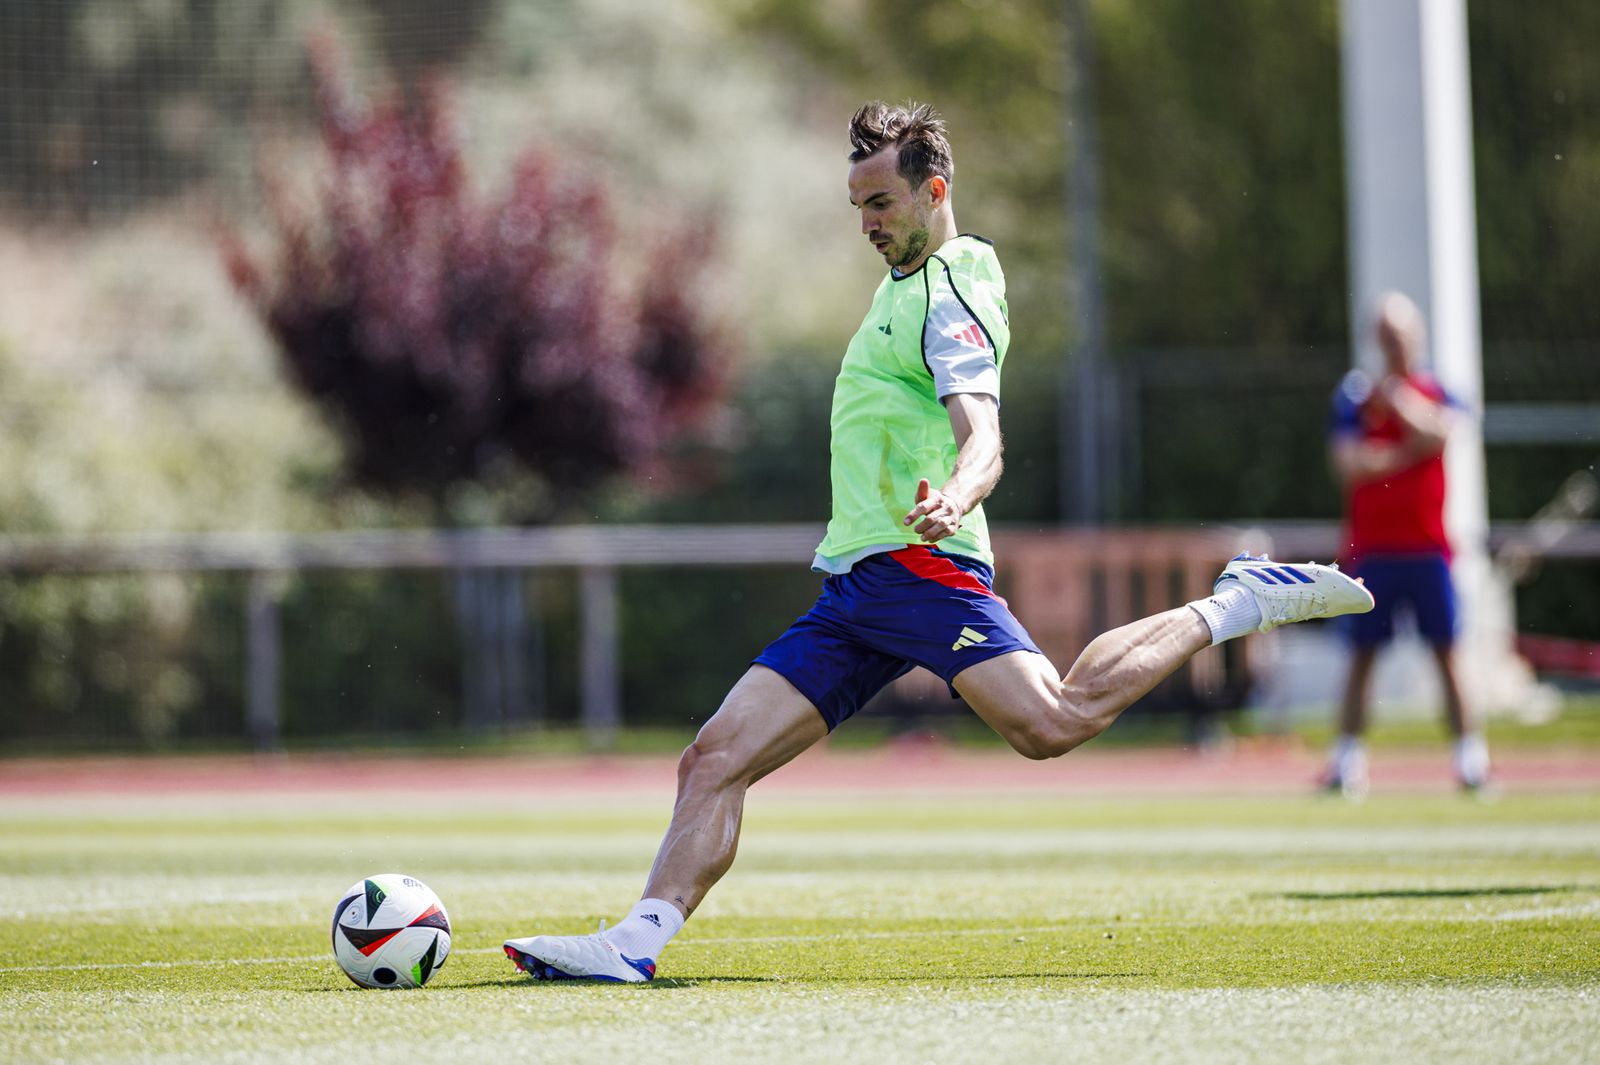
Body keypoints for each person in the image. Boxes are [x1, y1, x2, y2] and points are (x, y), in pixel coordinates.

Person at [503, 101, 1373, 982]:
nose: (868, 223)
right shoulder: (902, 289)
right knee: (713, 756)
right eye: (858, 206)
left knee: (1051, 721)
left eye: (881, 202)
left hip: (920, 568)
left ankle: (1238, 599)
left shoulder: (950, 290)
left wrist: (958, 491)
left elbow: (983, 433)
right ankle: (635, 944)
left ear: (935, 190)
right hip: (856, 588)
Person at [1323, 292, 1489, 797]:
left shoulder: (1434, 387)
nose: (1393, 344)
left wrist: (1400, 405)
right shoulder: (1354, 395)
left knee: (1447, 655)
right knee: (1362, 658)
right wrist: (1406, 451)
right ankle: (1347, 763)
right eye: (1385, 335)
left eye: (1401, 334)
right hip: (1373, 550)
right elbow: (1350, 464)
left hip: (1427, 549)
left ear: (1416, 336)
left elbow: (1443, 433)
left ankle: (1470, 762)